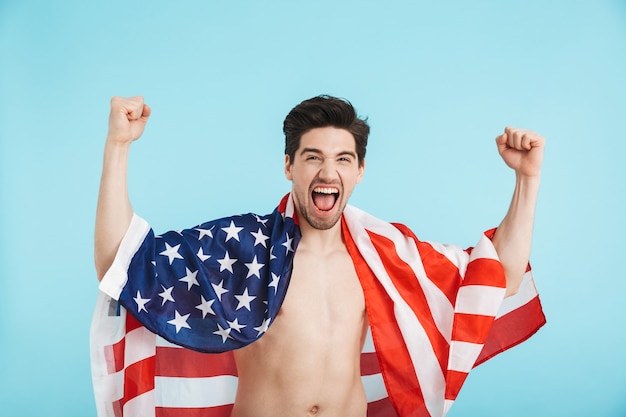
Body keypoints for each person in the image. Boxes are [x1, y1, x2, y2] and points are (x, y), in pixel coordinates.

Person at [92, 95, 546, 417]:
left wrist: (528, 178)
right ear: (289, 166)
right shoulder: (243, 251)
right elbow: (119, 264)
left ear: (360, 171)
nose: (329, 172)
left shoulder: (386, 258)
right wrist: (118, 146)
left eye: (343, 159)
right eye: (312, 158)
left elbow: (498, 276)